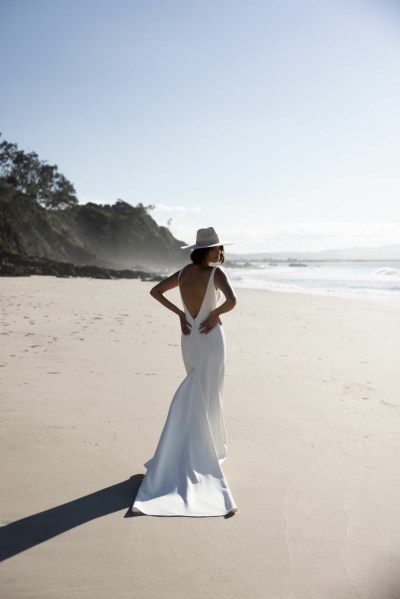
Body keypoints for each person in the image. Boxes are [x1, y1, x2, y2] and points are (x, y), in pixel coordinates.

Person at [132, 227, 238, 517]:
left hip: (189, 336)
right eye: (216, 248)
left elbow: (155, 291)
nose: (220, 252)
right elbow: (232, 302)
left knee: (197, 386)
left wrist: (180, 314)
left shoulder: (182, 274)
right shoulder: (217, 274)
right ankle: (209, 449)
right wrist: (214, 315)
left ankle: (195, 445)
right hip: (211, 336)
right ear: (207, 251)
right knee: (210, 390)